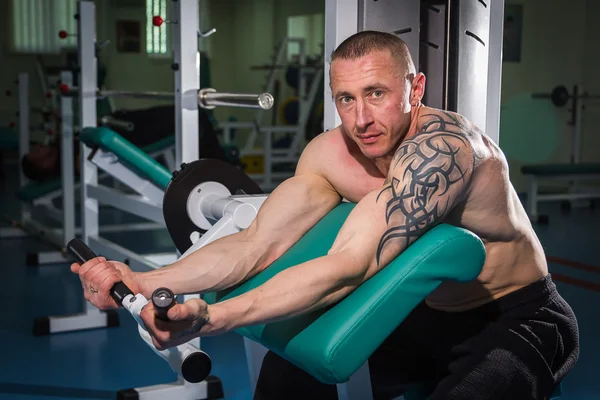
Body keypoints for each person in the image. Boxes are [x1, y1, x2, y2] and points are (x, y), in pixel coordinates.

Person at [71, 31, 579, 399]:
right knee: (285, 380)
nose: (361, 119)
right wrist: (142, 279)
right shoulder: (329, 154)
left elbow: (351, 265)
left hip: (513, 317)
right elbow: (255, 244)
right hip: (424, 313)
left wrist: (216, 316)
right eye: (346, 99)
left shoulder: (443, 153)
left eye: (376, 94)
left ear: (415, 89)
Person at [21, 105, 237, 182]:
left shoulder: (59, 147)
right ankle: (224, 169)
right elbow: (85, 160)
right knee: (193, 117)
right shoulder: (67, 166)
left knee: (193, 115)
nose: (38, 147)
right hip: (133, 137)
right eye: (36, 153)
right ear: (43, 165)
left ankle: (221, 168)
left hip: (123, 123)